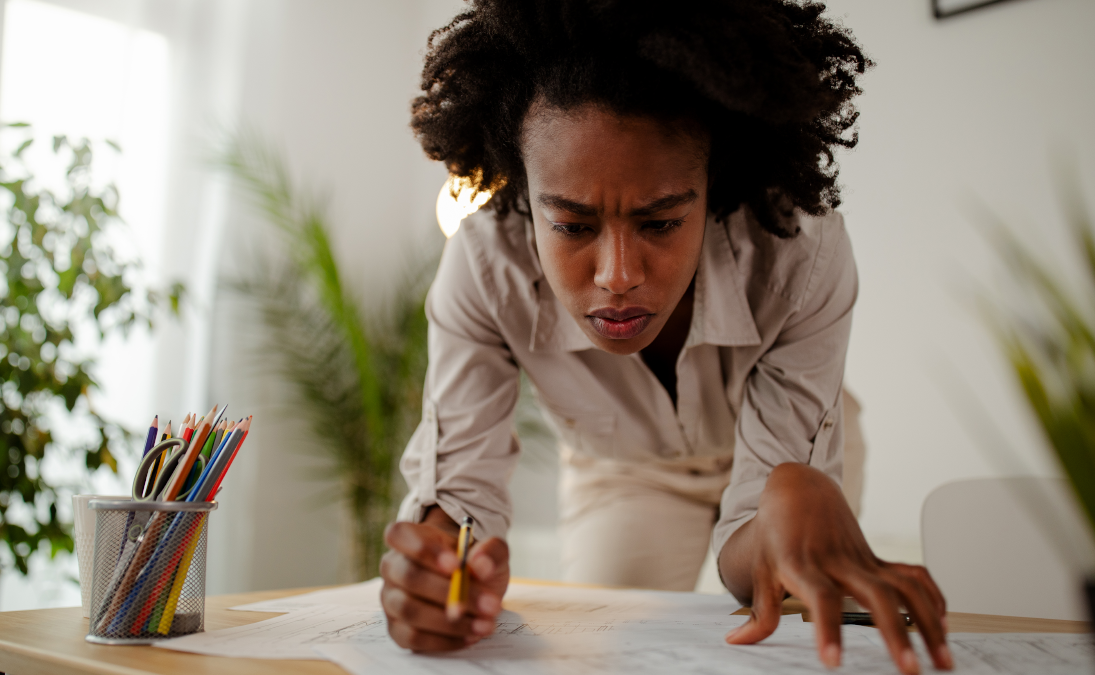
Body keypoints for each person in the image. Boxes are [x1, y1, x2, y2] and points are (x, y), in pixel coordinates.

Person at [379, 1, 951, 673]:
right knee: (610, 655)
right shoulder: (484, 267)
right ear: (525, 194)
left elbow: (754, 555)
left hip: (795, 479)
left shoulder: (802, 251)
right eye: (571, 225)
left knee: (791, 634)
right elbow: (458, 493)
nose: (617, 277)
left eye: (660, 222)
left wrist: (792, 492)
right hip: (622, 470)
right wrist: (436, 563)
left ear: (715, 188)